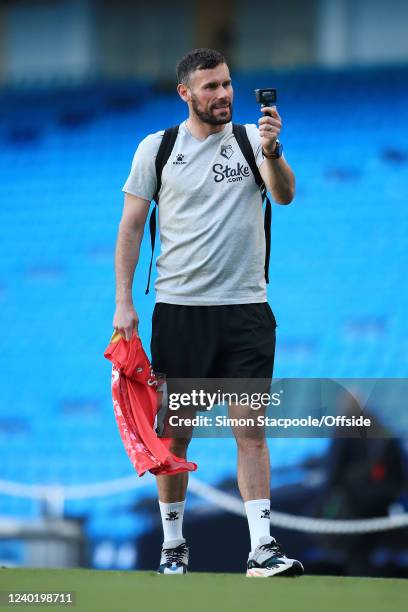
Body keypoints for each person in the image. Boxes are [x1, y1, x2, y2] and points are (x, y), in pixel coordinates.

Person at [113, 48, 303, 577]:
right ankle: (173, 544)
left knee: (251, 432)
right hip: (180, 313)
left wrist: (273, 149)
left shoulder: (251, 141)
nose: (222, 94)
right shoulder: (158, 149)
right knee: (176, 435)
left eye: (226, 84)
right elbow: (130, 226)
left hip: (246, 311)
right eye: (210, 87)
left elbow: (284, 197)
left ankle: (261, 548)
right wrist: (124, 303)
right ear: (186, 93)